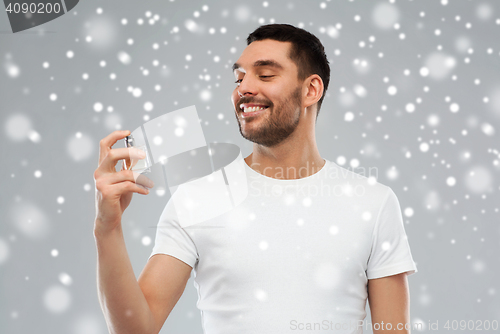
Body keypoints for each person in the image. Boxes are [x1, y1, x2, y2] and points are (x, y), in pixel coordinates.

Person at [93, 24, 417, 334]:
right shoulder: (198, 199)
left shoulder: (373, 203)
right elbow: (136, 329)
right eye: (239, 78)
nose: (244, 88)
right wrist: (107, 228)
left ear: (311, 90)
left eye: (265, 75)